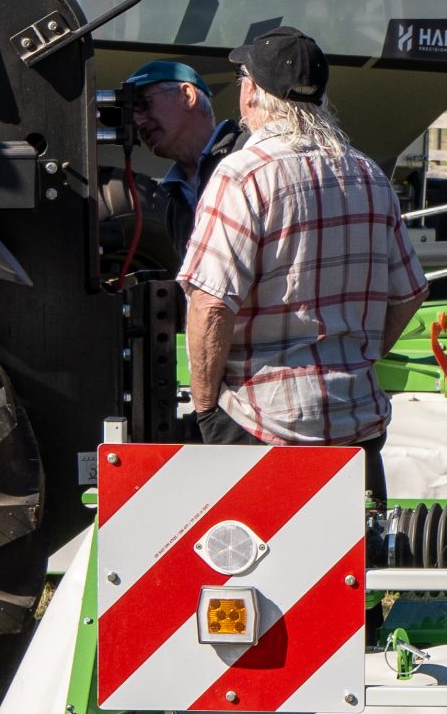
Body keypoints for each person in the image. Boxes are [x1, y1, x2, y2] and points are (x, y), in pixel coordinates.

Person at [178, 28, 425, 497]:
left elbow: (210, 306)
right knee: (353, 568)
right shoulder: (367, 173)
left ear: (251, 91)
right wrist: (357, 358)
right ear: (321, 97)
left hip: (259, 427)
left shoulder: (242, 175)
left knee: (253, 569)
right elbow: (410, 293)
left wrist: (206, 410)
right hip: (355, 428)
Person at [123, 58, 241, 250]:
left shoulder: (246, 157)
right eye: (131, 114)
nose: (137, 122)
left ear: (187, 95)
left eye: (143, 104)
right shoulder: (173, 203)